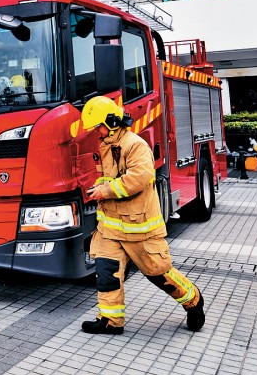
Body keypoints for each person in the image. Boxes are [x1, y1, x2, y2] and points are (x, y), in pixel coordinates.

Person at [79, 95, 206, 335]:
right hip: (110, 228)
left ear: (112, 121)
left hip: (139, 229)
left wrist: (104, 190)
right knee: (107, 273)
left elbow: (139, 178)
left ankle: (193, 300)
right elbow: (108, 178)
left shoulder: (134, 144)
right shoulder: (106, 145)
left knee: (158, 274)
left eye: (99, 126)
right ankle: (111, 321)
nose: (97, 132)